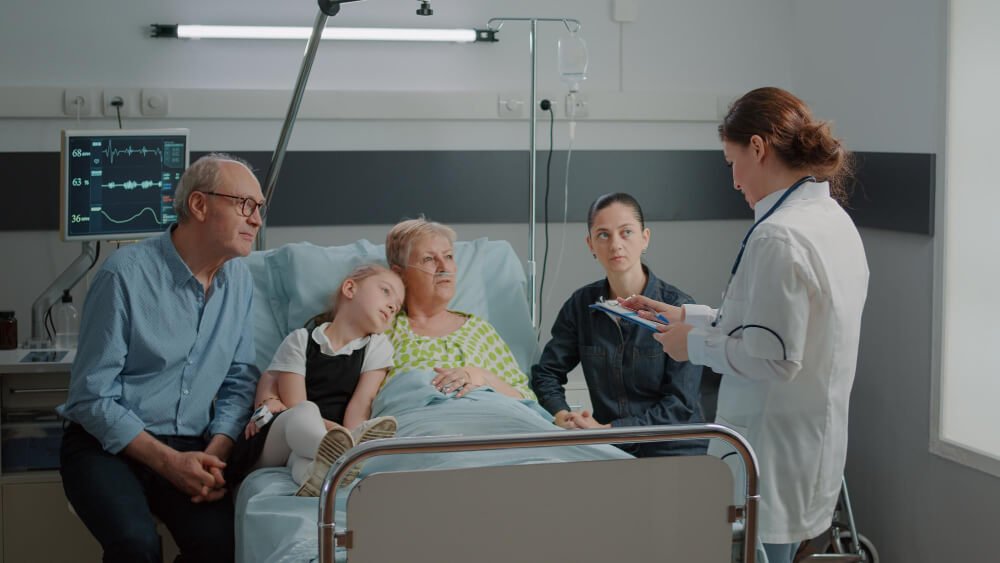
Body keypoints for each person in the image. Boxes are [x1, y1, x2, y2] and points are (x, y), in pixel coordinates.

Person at [623, 87, 869, 563]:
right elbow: (770, 325)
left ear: (758, 148)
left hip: (773, 448)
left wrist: (690, 345)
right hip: (808, 441)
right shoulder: (831, 220)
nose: (734, 180)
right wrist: (683, 316)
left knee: (766, 548)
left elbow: (774, 358)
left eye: (731, 161)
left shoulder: (780, 236)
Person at [57, 154, 264, 563]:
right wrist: (170, 464)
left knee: (224, 547)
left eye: (259, 208)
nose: (256, 219)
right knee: (137, 546)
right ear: (199, 205)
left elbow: (239, 381)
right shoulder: (124, 276)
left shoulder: (239, 281)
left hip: (194, 446)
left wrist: (217, 453)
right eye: (244, 204)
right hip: (107, 445)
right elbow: (90, 398)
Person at [530, 193, 706, 457]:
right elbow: (546, 374)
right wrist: (562, 414)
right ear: (590, 244)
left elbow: (679, 405)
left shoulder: (678, 308)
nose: (615, 244)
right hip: (609, 449)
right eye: (603, 235)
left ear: (645, 238)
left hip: (674, 447)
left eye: (626, 233)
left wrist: (608, 429)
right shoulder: (580, 306)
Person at [226, 264, 405, 497]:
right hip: (274, 438)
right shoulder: (300, 340)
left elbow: (361, 405)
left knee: (308, 466)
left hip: (306, 448)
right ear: (350, 288)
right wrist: (344, 436)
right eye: (385, 291)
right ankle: (345, 457)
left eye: (398, 307)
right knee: (305, 411)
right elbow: (294, 403)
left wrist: (347, 433)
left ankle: (325, 474)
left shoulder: (378, 348)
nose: (392, 305)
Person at [383, 218, 535, 400]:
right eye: (429, 259)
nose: (444, 267)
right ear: (399, 274)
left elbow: (526, 400)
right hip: (419, 421)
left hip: (492, 418)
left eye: (448, 256)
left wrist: (481, 376)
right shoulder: (384, 330)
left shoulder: (480, 330)